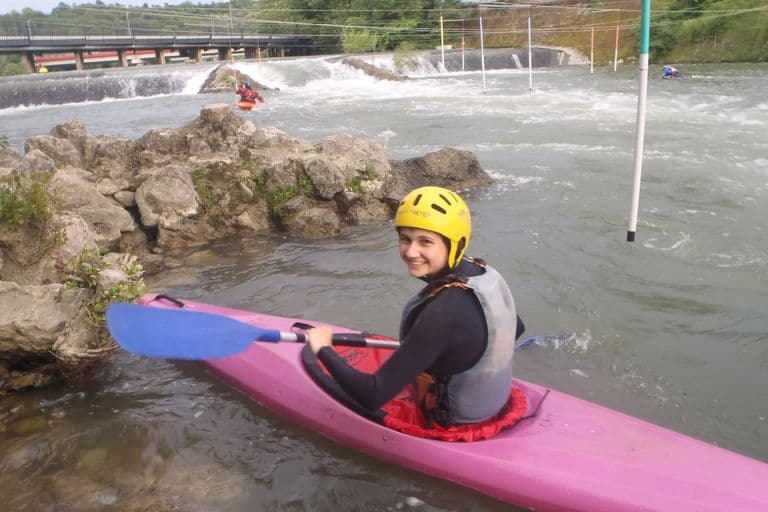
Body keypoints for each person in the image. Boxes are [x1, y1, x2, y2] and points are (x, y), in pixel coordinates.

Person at [307, 186, 525, 427]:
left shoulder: (444, 312)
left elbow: (372, 395)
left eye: (425, 242)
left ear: (454, 244)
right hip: (494, 404)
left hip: (454, 424)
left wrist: (322, 349)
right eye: (405, 239)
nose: (411, 251)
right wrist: (459, 353)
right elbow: (517, 327)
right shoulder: (483, 274)